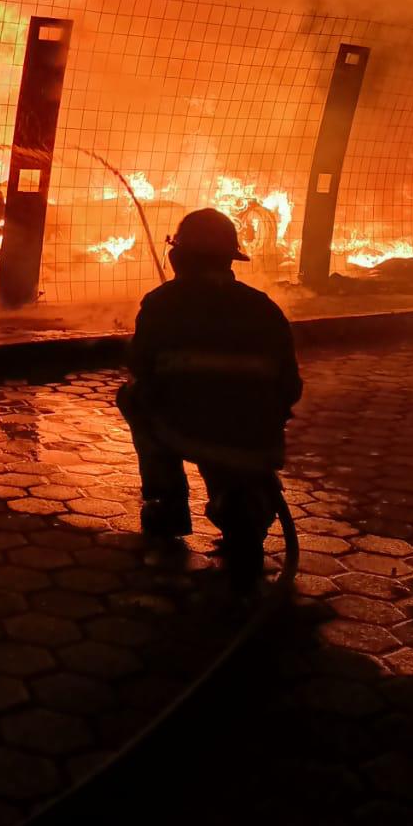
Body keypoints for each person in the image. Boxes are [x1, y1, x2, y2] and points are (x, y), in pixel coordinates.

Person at [117, 208, 302, 588]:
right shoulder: (263, 306)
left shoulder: (161, 303)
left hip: (187, 429)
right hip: (255, 439)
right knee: (231, 454)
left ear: (177, 256)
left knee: (132, 398)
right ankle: (241, 507)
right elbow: (290, 385)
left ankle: (166, 506)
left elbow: (142, 369)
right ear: (230, 259)